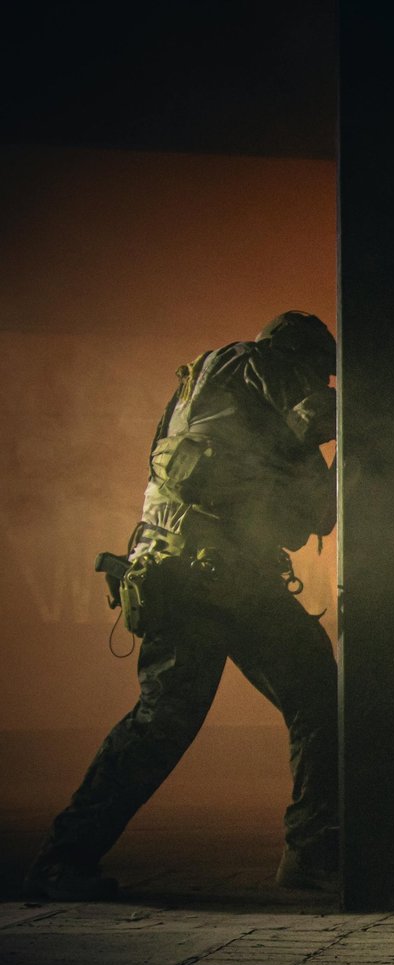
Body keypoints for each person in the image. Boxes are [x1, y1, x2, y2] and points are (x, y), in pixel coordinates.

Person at [25, 312, 341, 900]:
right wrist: (354, 415)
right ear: (295, 357)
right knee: (165, 723)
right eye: (319, 372)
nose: (320, 385)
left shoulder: (261, 407)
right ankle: (61, 860)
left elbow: (315, 515)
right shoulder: (244, 364)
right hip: (195, 574)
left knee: (315, 693)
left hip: (232, 578)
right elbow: (304, 415)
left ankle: (313, 852)